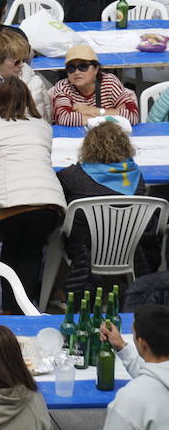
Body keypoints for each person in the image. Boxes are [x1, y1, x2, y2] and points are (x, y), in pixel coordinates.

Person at [0, 78, 65, 308]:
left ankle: (10, 311)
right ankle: (24, 310)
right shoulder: (44, 126)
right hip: (48, 203)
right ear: (28, 98)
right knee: (32, 253)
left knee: (11, 252)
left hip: (10, 205)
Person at [57, 122, 158, 302]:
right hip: (129, 248)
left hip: (84, 249)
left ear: (88, 147)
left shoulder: (72, 176)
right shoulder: (135, 177)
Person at [49, 44, 138, 126]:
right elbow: (63, 118)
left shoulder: (109, 82)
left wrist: (91, 110)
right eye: (71, 68)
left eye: (83, 66)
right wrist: (112, 116)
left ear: (96, 69)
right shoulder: (63, 87)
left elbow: (132, 116)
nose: (76, 72)